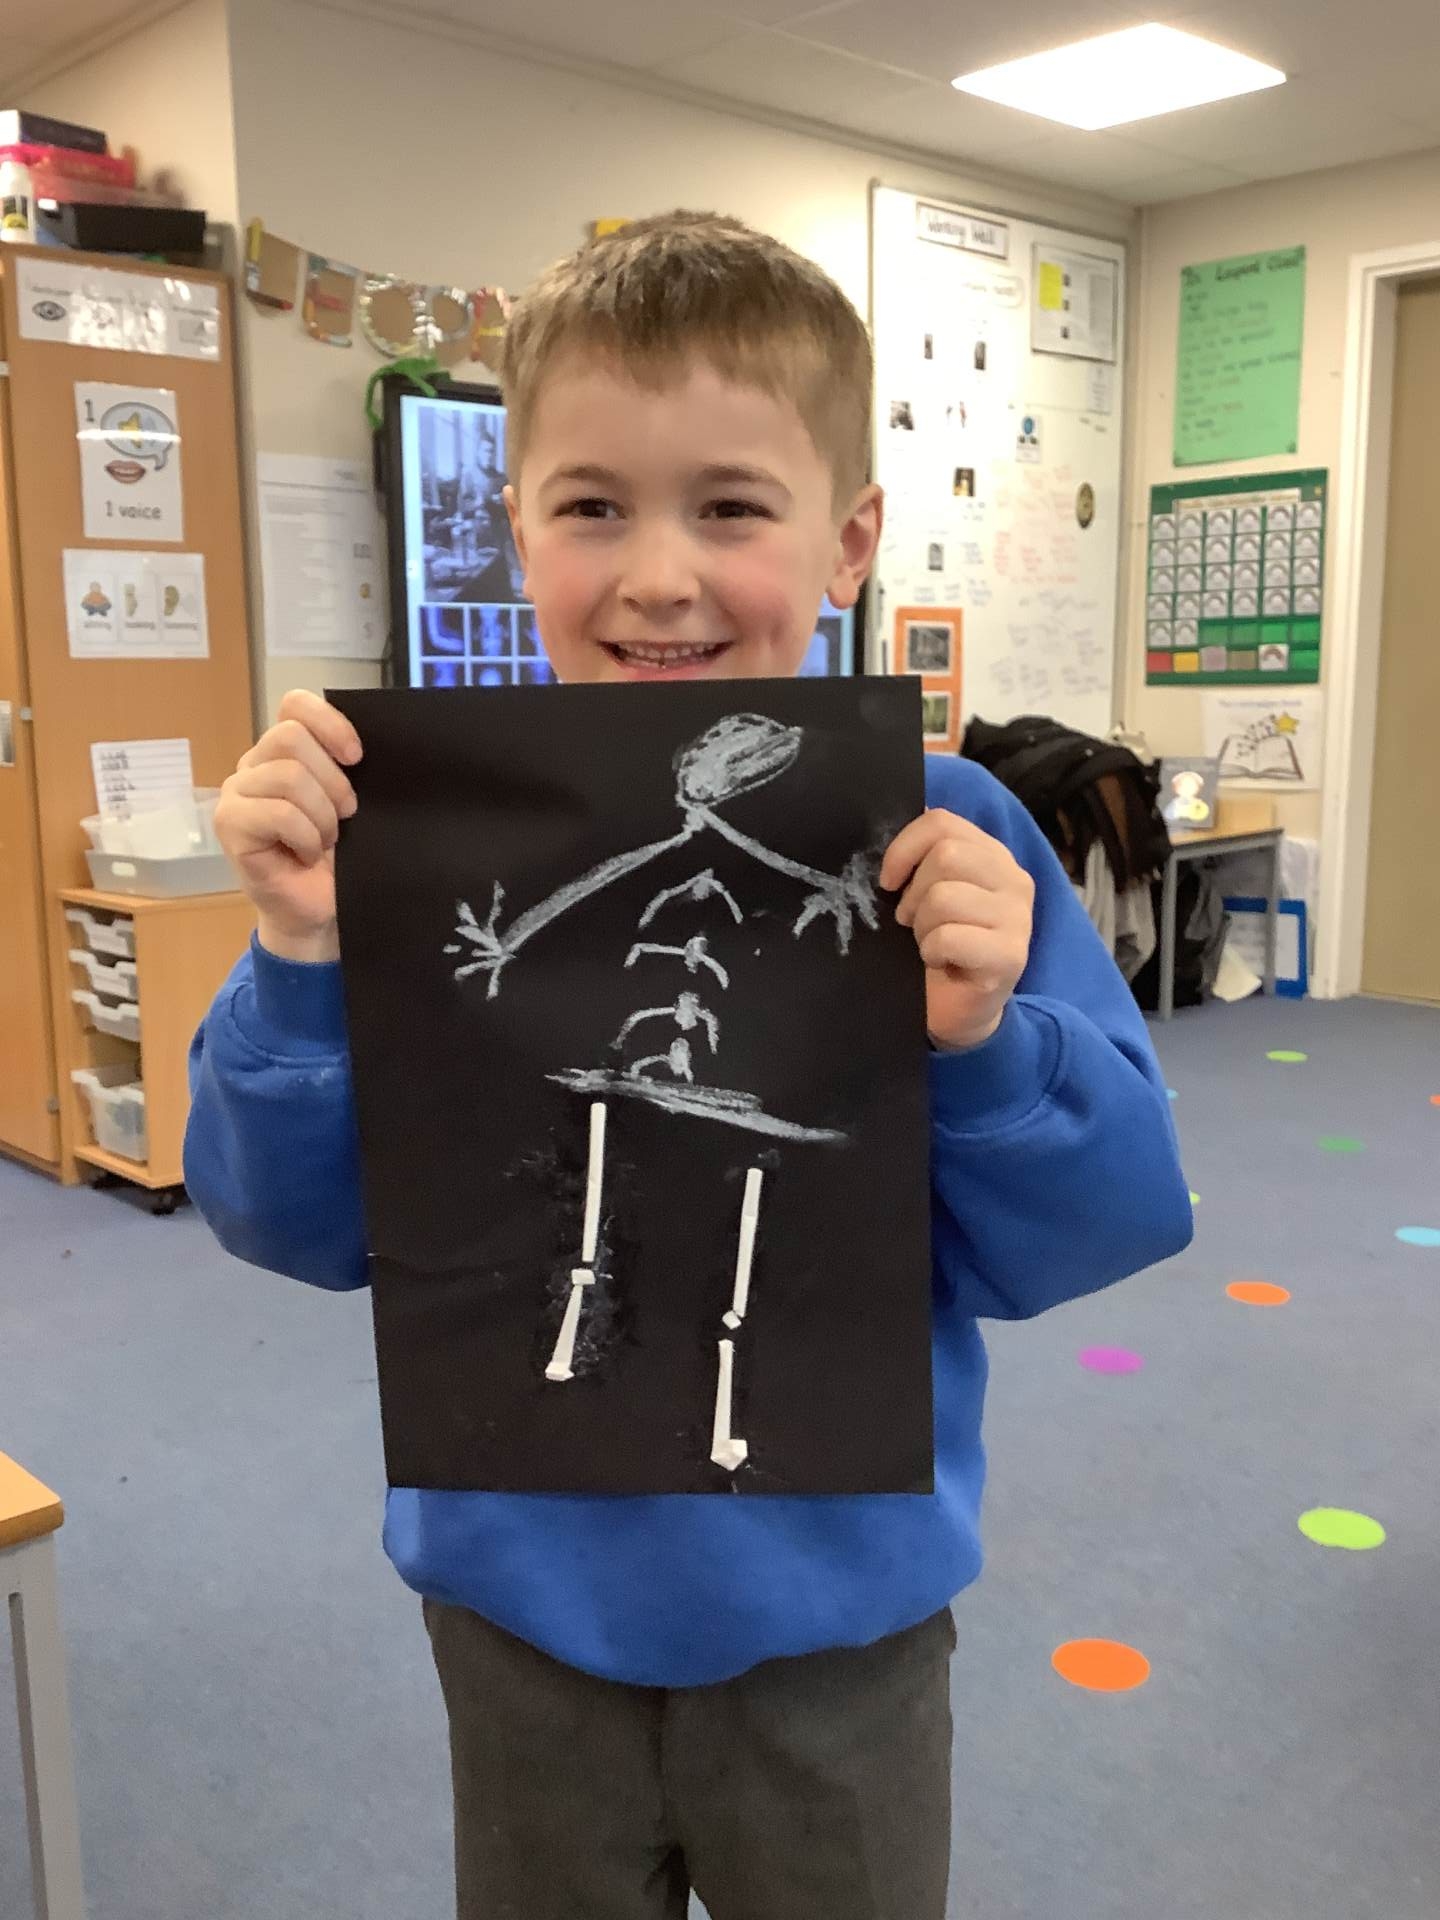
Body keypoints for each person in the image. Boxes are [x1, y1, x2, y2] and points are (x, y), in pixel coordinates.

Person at [186, 210, 1192, 1920]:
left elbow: (1105, 1223)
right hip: (520, 1610)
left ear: (848, 538)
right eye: (593, 506)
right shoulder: (411, 839)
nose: (659, 576)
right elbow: (290, 1223)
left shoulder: (951, 839)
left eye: (730, 506)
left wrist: (980, 1043)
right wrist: (300, 958)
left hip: (839, 1622)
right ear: (515, 529)